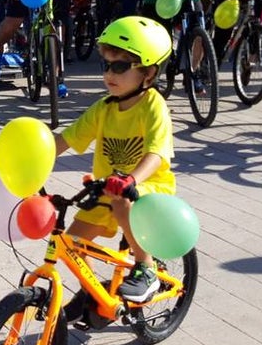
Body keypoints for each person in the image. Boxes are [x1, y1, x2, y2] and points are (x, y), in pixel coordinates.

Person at [54, 16, 177, 318]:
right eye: (106, 65)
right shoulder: (104, 108)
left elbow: (158, 153)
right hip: (108, 190)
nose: (110, 73)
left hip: (147, 191)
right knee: (73, 242)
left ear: (148, 73)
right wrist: (34, 158)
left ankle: (146, 268)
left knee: (123, 200)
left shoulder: (152, 106)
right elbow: (66, 139)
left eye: (120, 67)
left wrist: (132, 179)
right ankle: (93, 293)